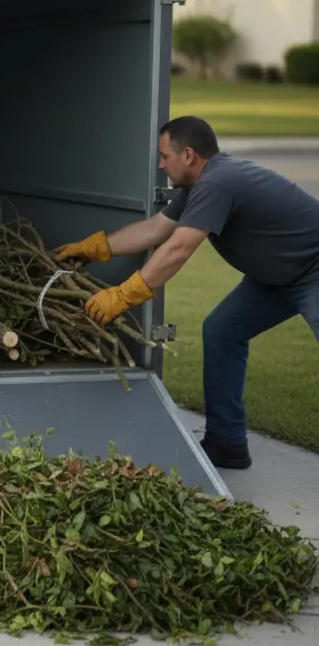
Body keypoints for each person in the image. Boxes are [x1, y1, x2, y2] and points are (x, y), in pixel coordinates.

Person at [55, 115, 319, 470]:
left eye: (165, 156)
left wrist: (124, 295)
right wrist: (94, 248)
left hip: (314, 268)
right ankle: (227, 443)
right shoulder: (198, 187)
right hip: (276, 279)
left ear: (189, 155)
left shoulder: (217, 183)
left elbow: (179, 248)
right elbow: (154, 231)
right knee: (222, 331)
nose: (161, 165)